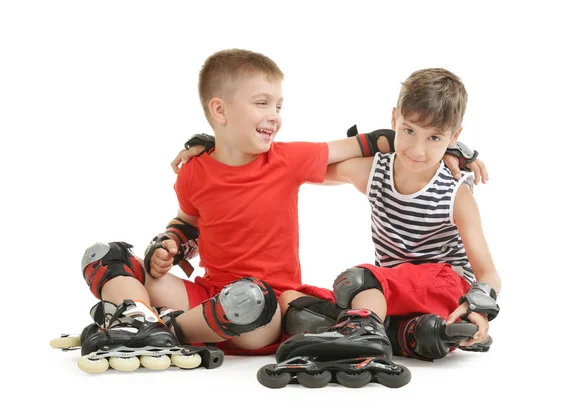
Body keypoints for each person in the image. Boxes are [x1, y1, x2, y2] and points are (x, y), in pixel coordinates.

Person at [82, 50, 486, 365]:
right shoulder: (194, 171)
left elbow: (371, 142)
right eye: (263, 104)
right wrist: (168, 244)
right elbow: (187, 223)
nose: (275, 116)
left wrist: (452, 149)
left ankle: (159, 328)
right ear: (219, 111)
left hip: (264, 307)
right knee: (105, 256)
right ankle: (135, 319)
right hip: (206, 295)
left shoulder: (287, 159)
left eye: (278, 106)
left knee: (253, 299)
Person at [272, 68, 500, 370]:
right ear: (393, 120)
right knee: (293, 303)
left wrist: (478, 309)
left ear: (454, 136)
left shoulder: (456, 193)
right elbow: (301, 167)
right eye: (408, 131)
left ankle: (363, 337)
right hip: (392, 290)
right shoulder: (374, 171)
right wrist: (237, 149)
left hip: (446, 288)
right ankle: (411, 334)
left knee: (357, 281)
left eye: (434, 137)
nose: (418, 150)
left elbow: (488, 274)